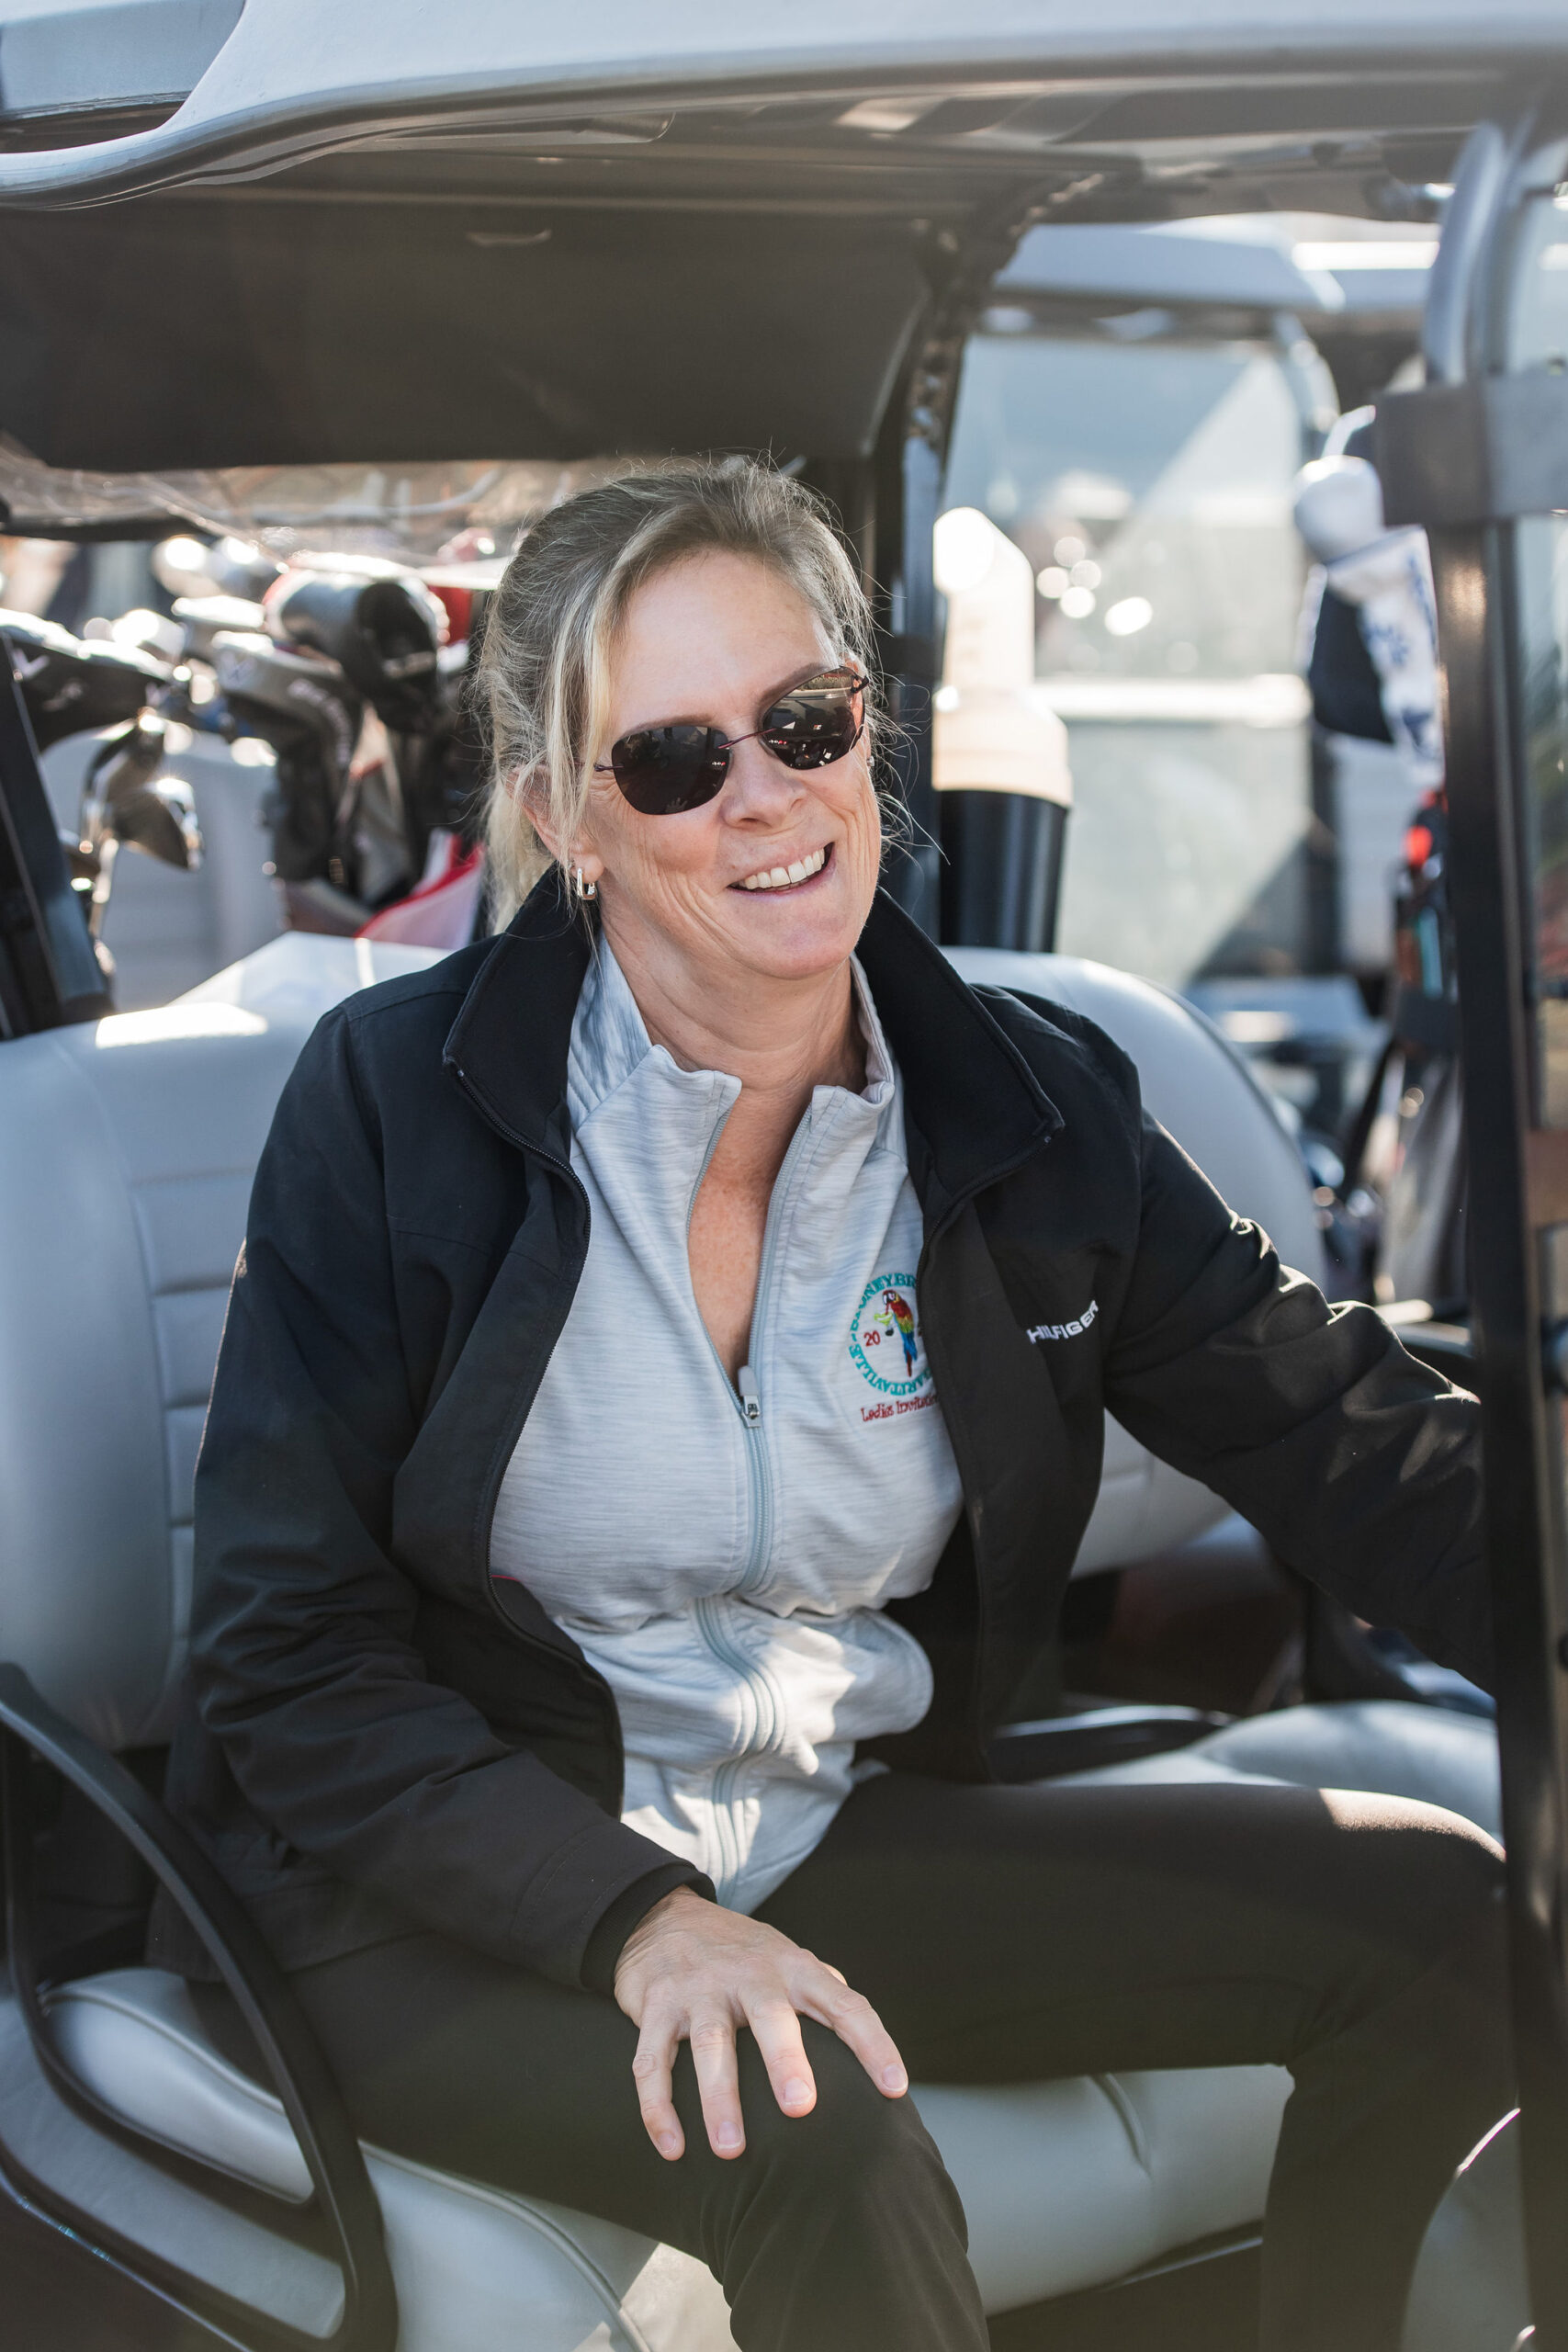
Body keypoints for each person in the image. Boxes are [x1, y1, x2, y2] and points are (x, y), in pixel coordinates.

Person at [152, 460, 1510, 2352]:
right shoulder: (394, 1109)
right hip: (422, 1895)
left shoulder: (1026, 1105)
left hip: (804, 1831)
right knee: (812, 2130)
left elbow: (1349, 1442)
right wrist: (637, 1919)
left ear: (866, 732)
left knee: (1451, 1924)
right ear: (564, 821)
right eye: (671, 761)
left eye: (804, 721)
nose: (766, 795)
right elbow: (288, 1655)